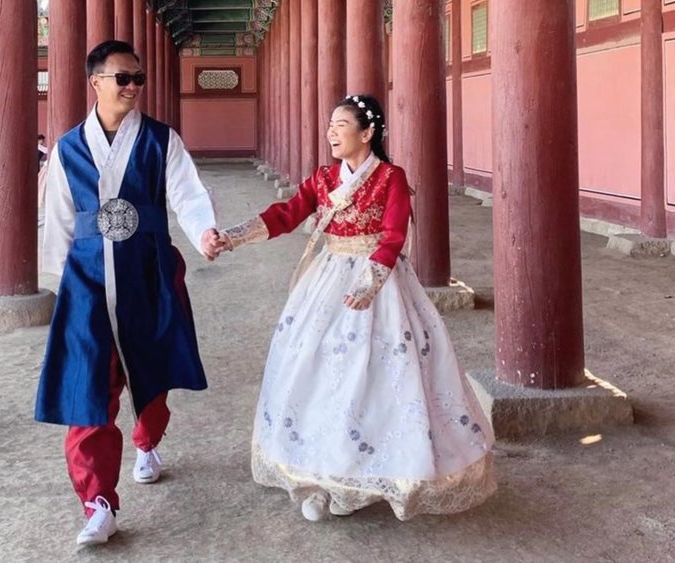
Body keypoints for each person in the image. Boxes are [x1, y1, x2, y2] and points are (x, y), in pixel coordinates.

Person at [218, 94, 497, 522]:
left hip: (380, 285)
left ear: (367, 133)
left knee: (384, 375)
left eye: (341, 125)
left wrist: (370, 284)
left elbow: (393, 235)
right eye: (330, 124)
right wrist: (234, 236)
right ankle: (322, 477)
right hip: (328, 278)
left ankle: (376, 475)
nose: (331, 132)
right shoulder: (324, 178)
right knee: (318, 370)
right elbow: (288, 213)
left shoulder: (390, 178)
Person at [36, 40, 226, 547]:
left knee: (153, 371)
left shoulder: (160, 140)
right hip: (87, 281)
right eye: (122, 78)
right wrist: (64, 282)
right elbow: (59, 215)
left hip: (148, 272)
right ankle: (98, 502)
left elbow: (187, 192)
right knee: (88, 390)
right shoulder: (68, 148)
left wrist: (203, 231)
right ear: (95, 82)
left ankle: (147, 439)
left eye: (138, 78)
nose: (133, 87)